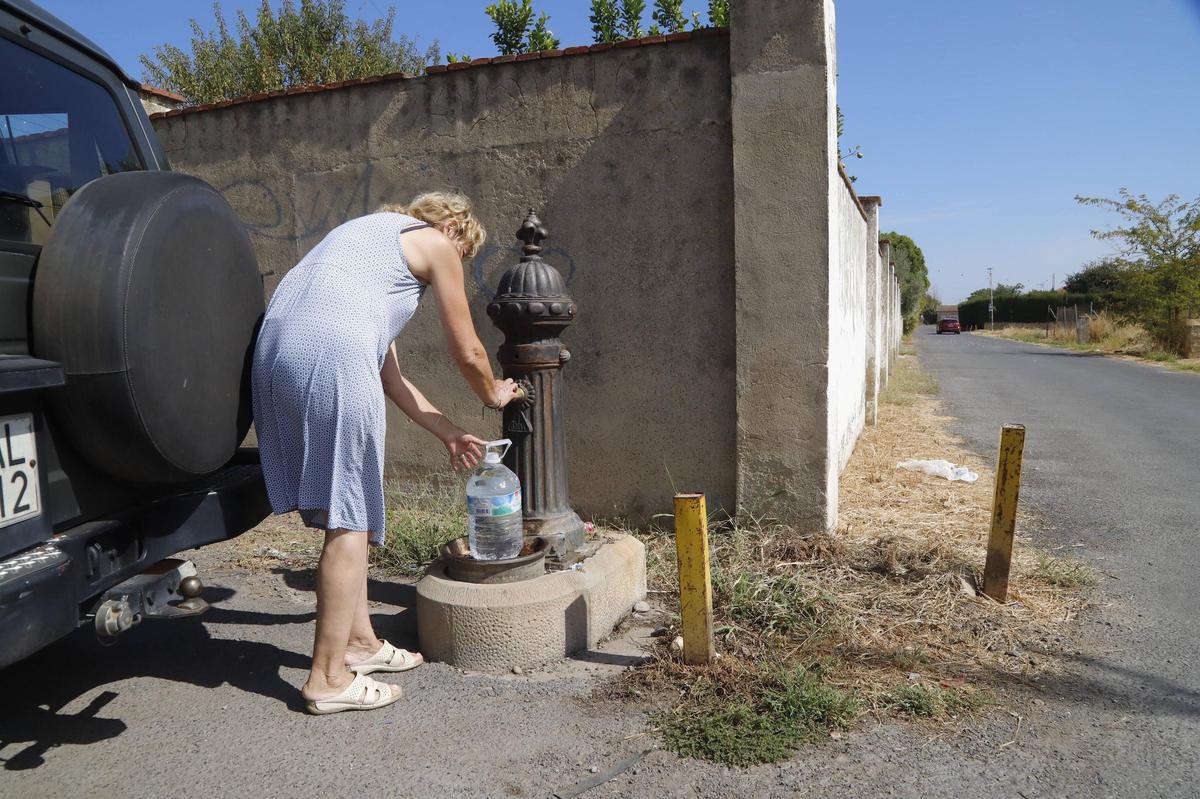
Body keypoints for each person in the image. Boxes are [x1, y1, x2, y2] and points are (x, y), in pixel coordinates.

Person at [251, 192, 520, 714]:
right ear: (456, 234)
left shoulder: (366, 246)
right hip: (329, 355)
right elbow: (468, 351)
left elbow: (390, 375)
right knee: (350, 517)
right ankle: (328, 679)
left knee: (341, 503)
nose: (455, 266)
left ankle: (361, 644)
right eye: (463, 256)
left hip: (276, 354)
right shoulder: (436, 243)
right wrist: (494, 395)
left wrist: (448, 432)